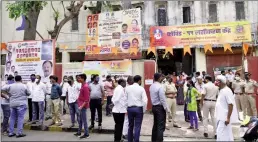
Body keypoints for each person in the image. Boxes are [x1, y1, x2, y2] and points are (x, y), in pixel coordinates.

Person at [125, 75, 148, 142]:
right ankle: (136, 140)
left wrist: (127, 108)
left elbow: (125, 100)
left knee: (130, 126)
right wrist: (143, 110)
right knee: (137, 126)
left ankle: (130, 140)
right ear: (139, 80)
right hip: (138, 109)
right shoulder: (141, 88)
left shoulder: (128, 88)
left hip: (130, 109)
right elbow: (145, 100)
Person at [215, 75, 238, 141]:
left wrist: (228, 118)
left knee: (220, 133)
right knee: (227, 133)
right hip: (221, 116)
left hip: (224, 117)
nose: (216, 82)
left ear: (221, 82)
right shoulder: (221, 90)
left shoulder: (227, 91)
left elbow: (230, 105)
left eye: (217, 81)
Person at [150, 73, 170, 142]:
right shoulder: (160, 87)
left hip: (154, 107)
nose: (162, 78)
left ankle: (154, 140)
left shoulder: (152, 86)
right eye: (161, 77)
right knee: (160, 126)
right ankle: (159, 140)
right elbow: (162, 99)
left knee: (155, 125)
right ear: (159, 78)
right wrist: (167, 109)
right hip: (159, 108)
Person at [74, 74, 90, 139]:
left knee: (84, 120)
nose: (78, 79)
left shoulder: (85, 86)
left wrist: (81, 107)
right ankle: (79, 132)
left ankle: (87, 134)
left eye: (79, 78)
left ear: (83, 79)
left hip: (83, 106)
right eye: (77, 78)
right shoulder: (82, 85)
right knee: (80, 120)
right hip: (80, 105)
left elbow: (86, 100)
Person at [122, 76, 134, 140]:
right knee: (126, 121)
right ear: (129, 81)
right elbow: (124, 99)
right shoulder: (126, 88)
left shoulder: (130, 88)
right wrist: (125, 108)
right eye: (132, 80)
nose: (133, 81)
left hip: (130, 106)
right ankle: (124, 134)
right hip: (127, 107)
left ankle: (129, 133)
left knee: (130, 121)